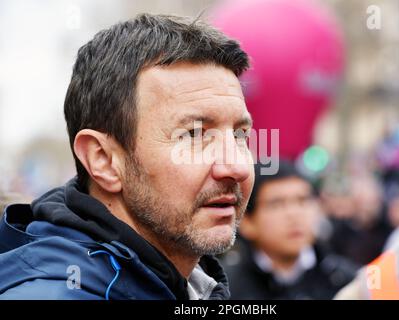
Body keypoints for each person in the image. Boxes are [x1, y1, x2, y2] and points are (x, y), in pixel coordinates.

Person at [0, 13, 255, 300]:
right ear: (104, 160)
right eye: (194, 135)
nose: (235, 166)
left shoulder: (193, 283)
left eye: (239, 135)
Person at [223, 160, 357, 300]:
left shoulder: (347, 282)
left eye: (303, 200)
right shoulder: (225, 290)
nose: (294, 214)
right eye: (276, 204)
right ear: (247, 222)